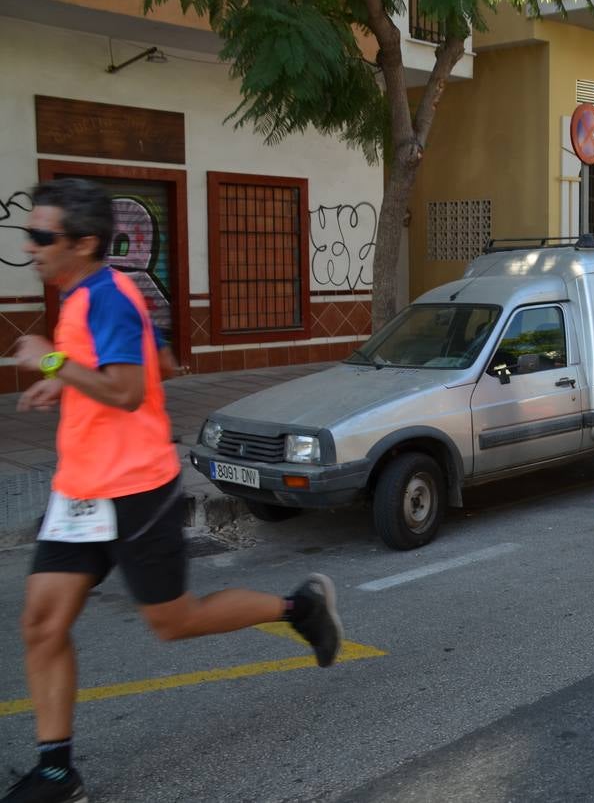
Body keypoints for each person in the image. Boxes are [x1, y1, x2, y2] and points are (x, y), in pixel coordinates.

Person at [5, 179, 342, 803]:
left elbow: (131, 390)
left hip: (134, 486)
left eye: (41, 236)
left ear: (82, 243)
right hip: (79, 489)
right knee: (41, 624)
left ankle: (300, 610)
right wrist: (74, 380)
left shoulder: (106, 297)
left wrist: (52, 363)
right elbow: (158, 366)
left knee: (174, 623)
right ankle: (58, 771)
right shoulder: (84, 295)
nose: (30, 247)